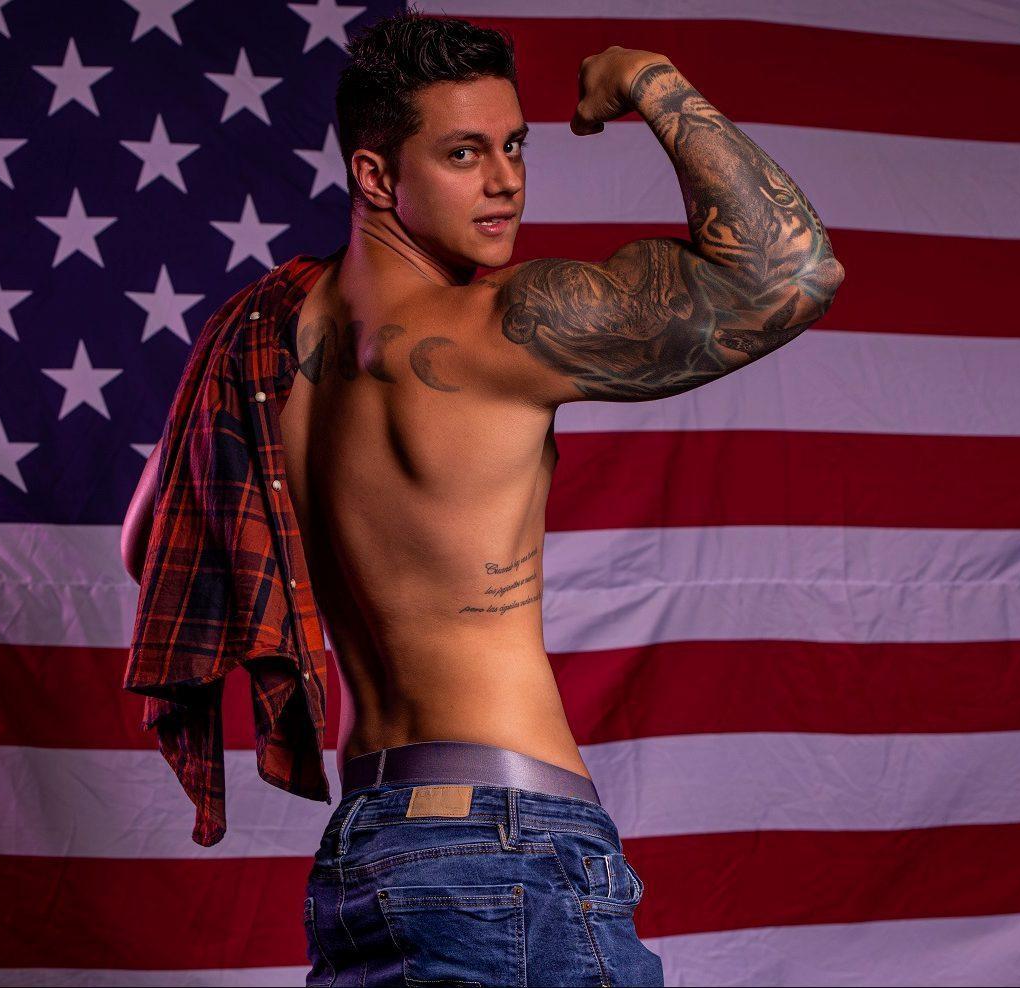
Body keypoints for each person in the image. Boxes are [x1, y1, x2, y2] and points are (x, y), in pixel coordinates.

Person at [124, 9, 843, 986]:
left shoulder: (258, 336)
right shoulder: (499, 324)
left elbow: (154, 542)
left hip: (368, 842)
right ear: (376, 175)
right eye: (464, 152)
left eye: (514, 146)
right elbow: (791, 272)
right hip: (507, 839)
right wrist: (649, 77)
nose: (505, 179)